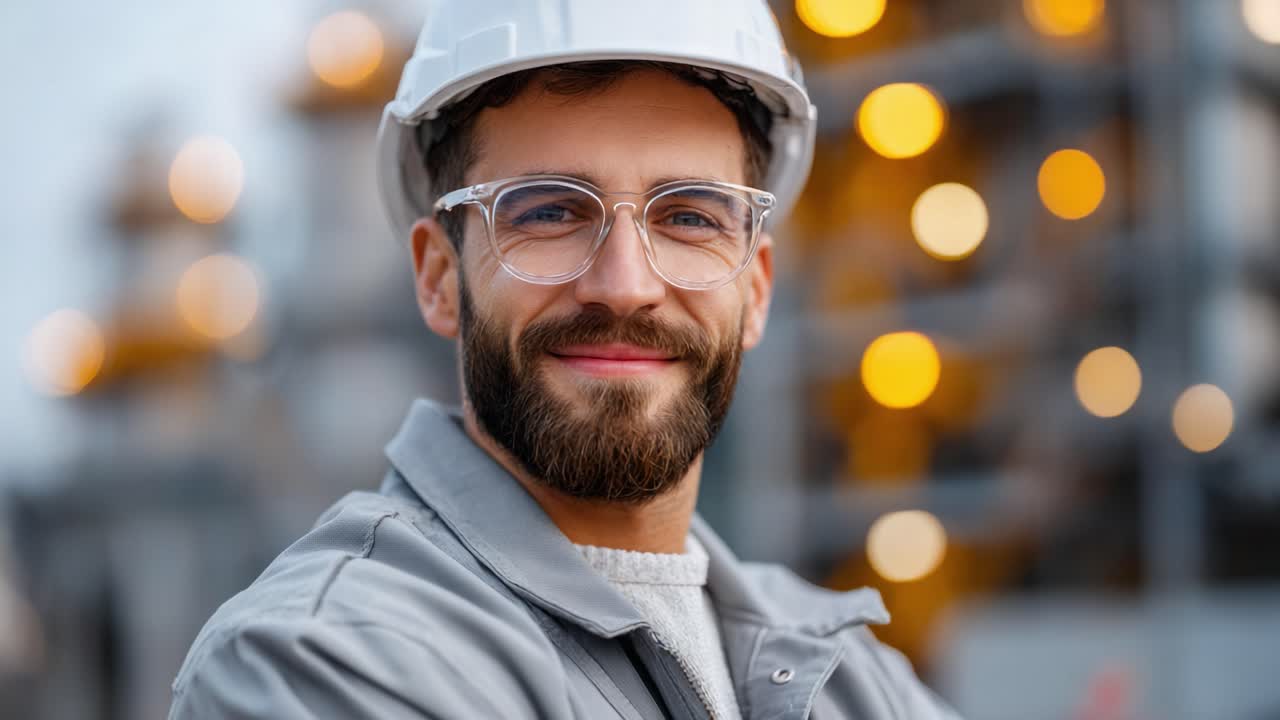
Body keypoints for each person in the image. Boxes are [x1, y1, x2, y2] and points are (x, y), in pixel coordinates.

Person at [169, 1, 961, 717]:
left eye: (688, 217)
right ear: (439, 278)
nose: (624, 286)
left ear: (755, 291)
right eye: (548, 211)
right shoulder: (322, 663)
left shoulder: (853, 678)